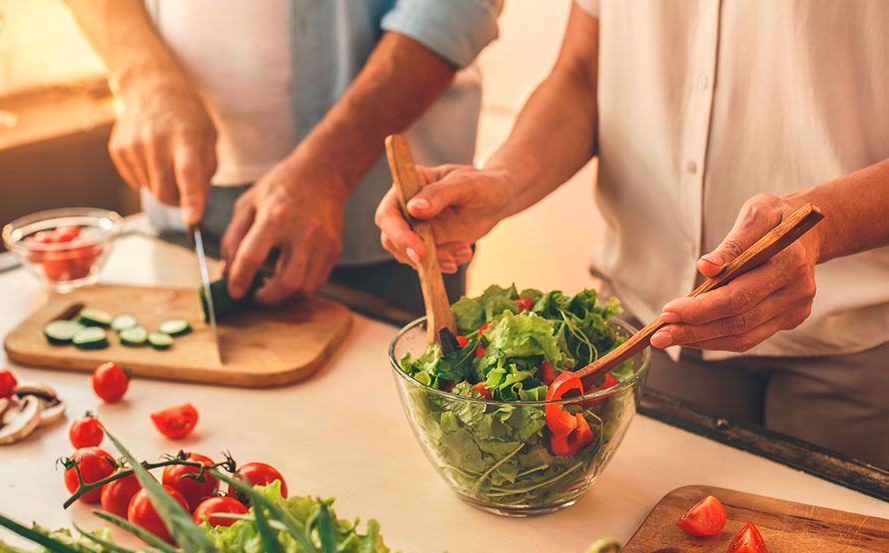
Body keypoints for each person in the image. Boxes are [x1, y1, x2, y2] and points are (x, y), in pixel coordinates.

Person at [374, 0, 889, 467]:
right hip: (646, 333)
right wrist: (503, 181)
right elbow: (584, 72)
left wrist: (823, 227)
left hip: (856, 346)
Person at [64, 0, 502, 315]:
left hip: (378, 221)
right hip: (182, 209)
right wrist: (142, 78)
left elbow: (452, 7)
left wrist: (328, 169)